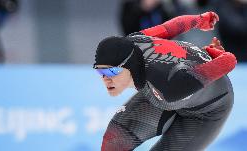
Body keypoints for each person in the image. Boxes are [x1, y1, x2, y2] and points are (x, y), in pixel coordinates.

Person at [93, 11, 237, 151]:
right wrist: (200, 19)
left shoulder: (169, 86)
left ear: (129, 66)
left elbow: (229, 61)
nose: (106, 79)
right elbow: (169, 28)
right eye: (101, 71)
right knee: (114, 142)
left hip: (205, 112)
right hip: (172, 87)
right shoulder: (134, 42)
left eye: (112, 71)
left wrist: (216, 56)